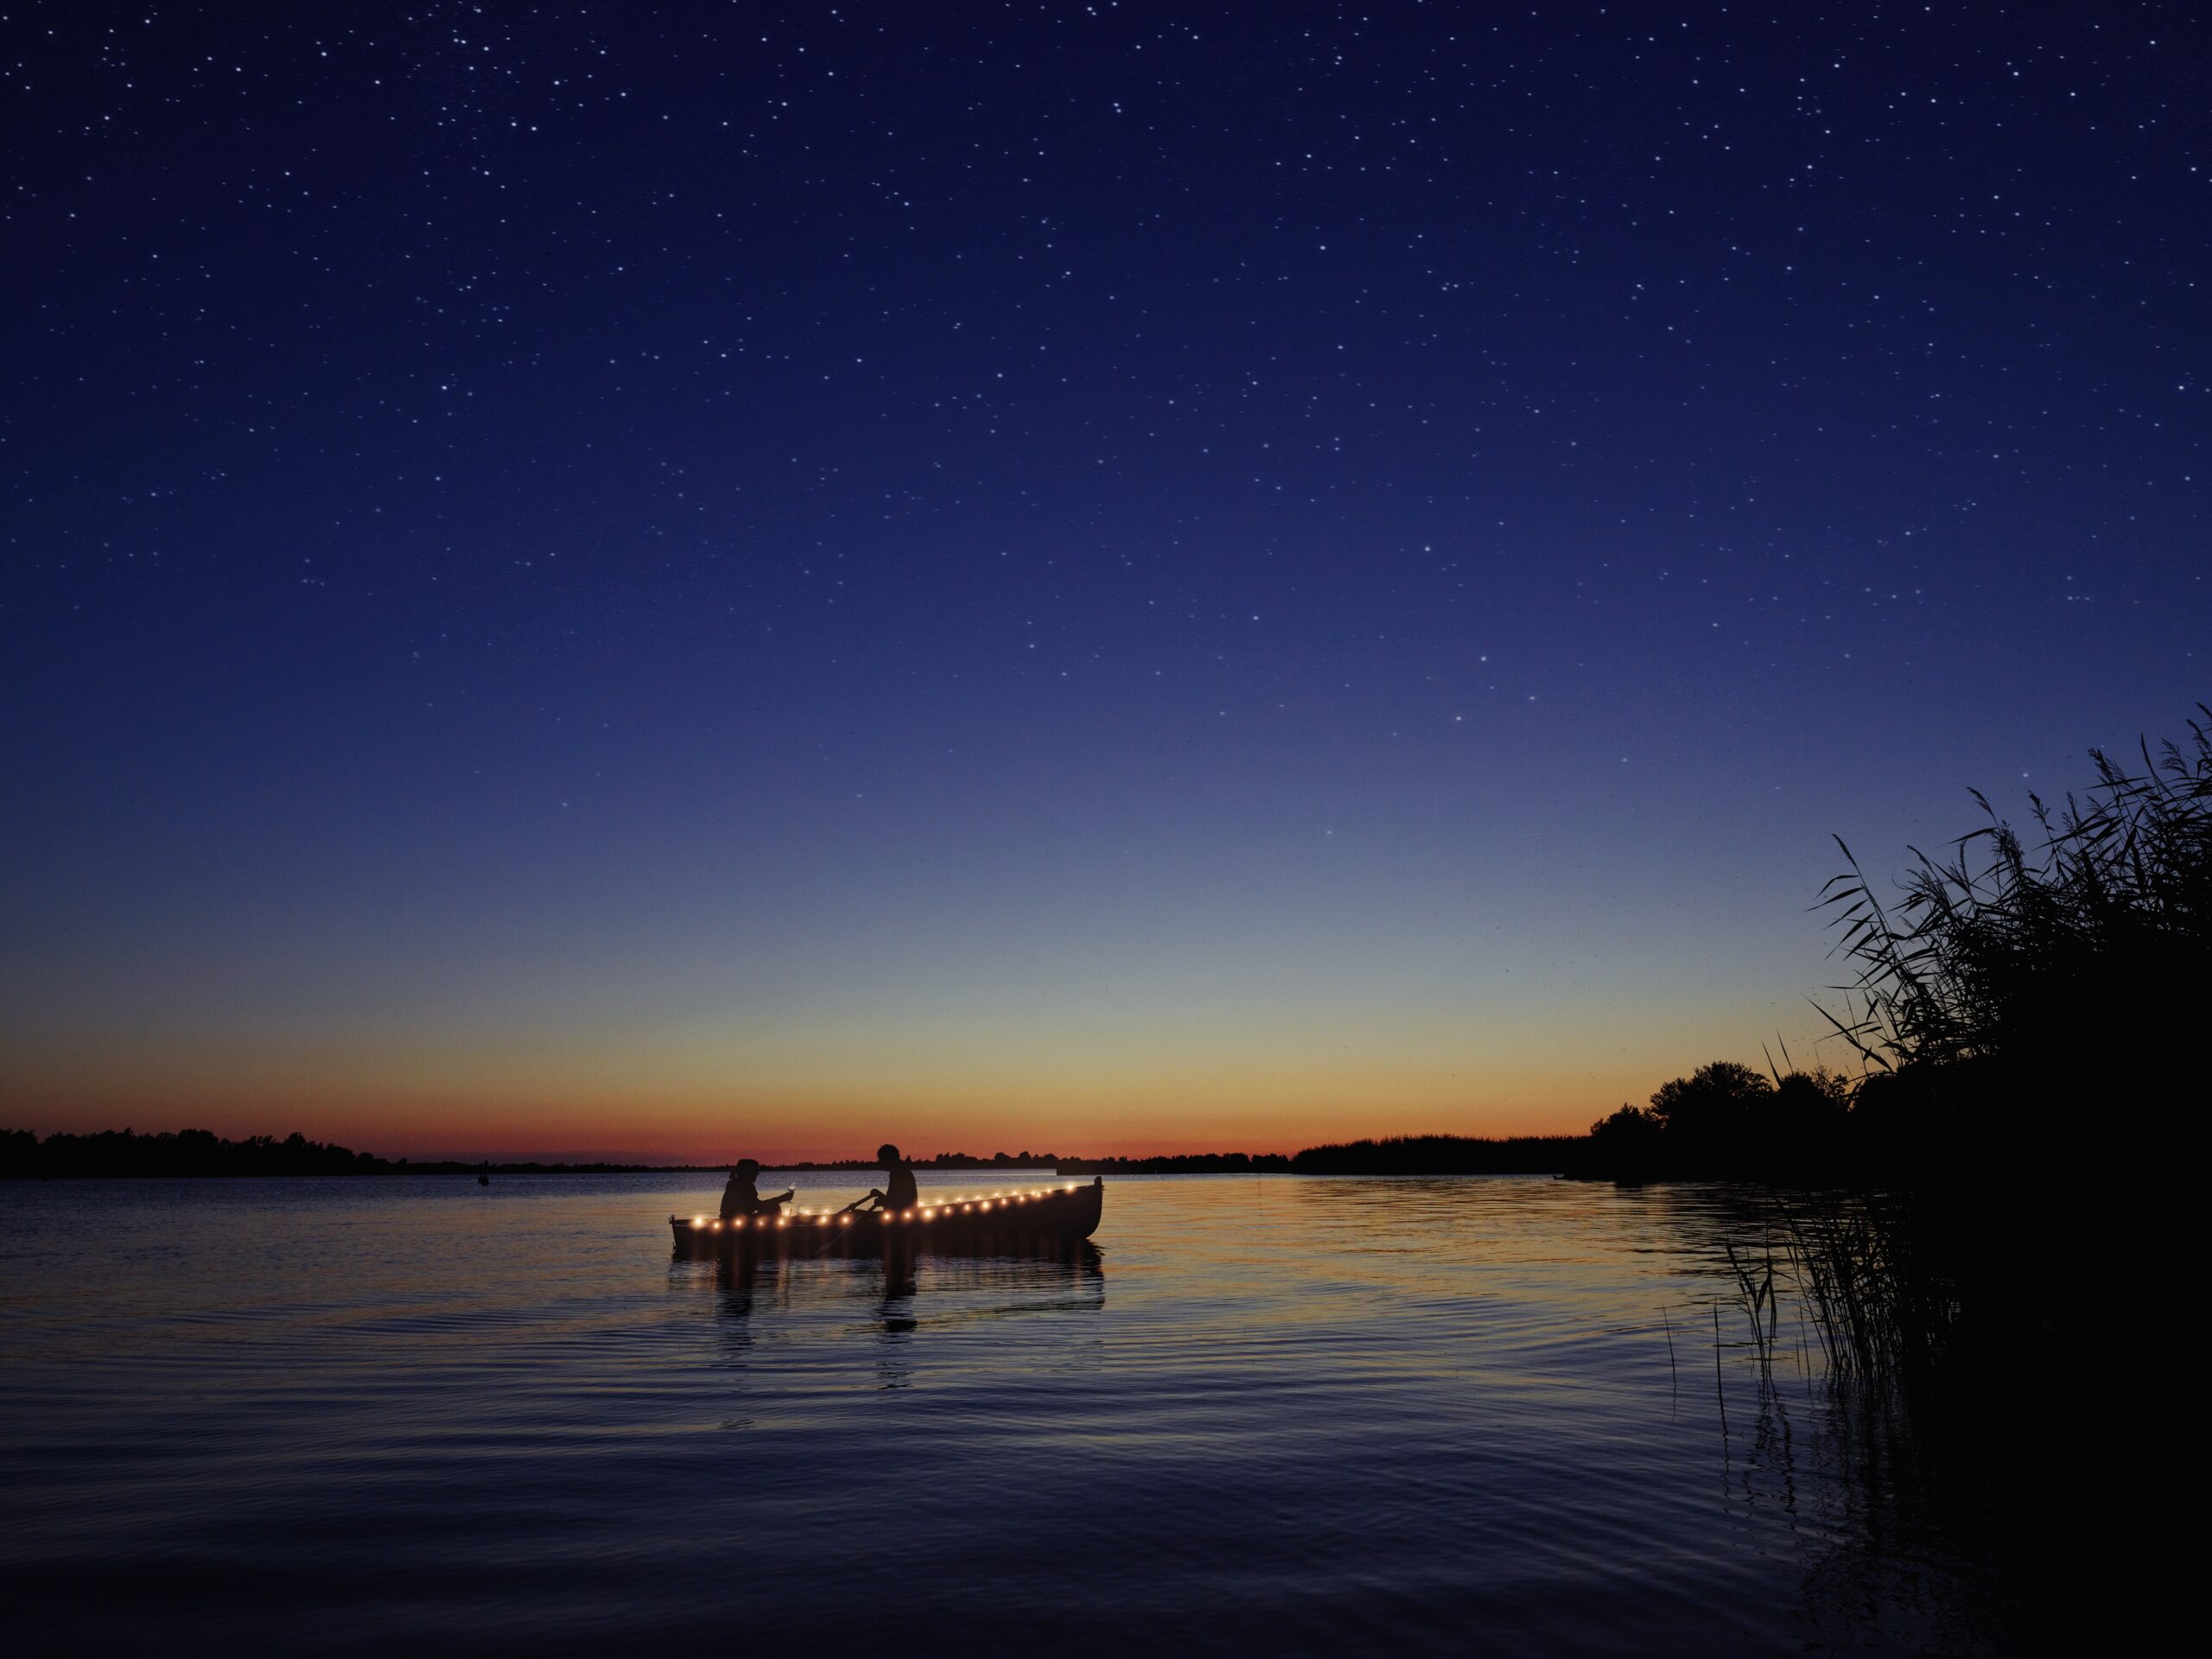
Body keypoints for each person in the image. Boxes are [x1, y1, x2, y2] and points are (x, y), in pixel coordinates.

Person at [847, 1142, 918, 1213]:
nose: (880, 1162)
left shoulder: (900, 1173)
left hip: (900, 1216)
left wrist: (882, 1201)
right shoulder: (899, 1171)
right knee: (856, 1212)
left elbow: (898, 1203)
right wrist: (879, 1194)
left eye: (881, 1159)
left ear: (889, 1159)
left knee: (858, 1213)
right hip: (897, 1214)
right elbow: (893, 1199)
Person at [719, 1159, 793, 1222]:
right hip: (733, 1221)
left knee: (774, 1207)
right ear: (748, 1172)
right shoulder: (737, 1185)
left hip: (742, 1219)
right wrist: (781, 1199)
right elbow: (758, 1206)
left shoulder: (740, 1184)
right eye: (755, 1171)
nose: (758, 1173)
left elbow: (757, 1205)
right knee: (775, 1208)